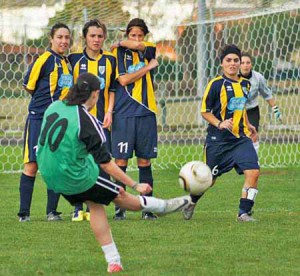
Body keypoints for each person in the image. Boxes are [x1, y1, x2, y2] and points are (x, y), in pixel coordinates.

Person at [36, 73, 190, 273]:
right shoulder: (87, 121)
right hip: (74, 176)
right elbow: (107, 163)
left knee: (95, 204)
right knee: (121, 196)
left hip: (48, 173)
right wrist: (136, 184)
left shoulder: (54, 106)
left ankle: (114, 261)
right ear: (94, 95)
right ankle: (165, 206)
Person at [183, 44, 260, 222]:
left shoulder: (246, 85)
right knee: (209, 179)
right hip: (218, 141)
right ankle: (191, 202)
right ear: (222, 63)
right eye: (229, 60)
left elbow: (242, 107)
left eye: (236, 60)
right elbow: (204, 111)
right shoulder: (215, 85)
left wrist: (249, 125)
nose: (233, 64)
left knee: (253, 172)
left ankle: (244, 212)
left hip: (240, 139)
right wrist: (220, 123)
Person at [17, 23, 73, 222]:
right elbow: (28, 86)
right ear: (51, 38)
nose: (64, 41)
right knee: (31, 164)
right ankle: (24, 213)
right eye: (60, 37)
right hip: (38, 119)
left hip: (57, 121)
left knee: (54, 166)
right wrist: (43, 106)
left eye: (67, 37)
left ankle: (52, 211)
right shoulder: (44, 59)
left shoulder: (67, 63)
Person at [110, 18, 159, 220]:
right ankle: (119, 208)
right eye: (132, 35)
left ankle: (148, 208)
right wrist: (148, 67)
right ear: (126, 36)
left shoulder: (149, 50)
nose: (137, 39)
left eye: (140, 35)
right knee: (120, 160)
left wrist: (126, 42)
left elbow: (141, 46)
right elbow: (123, 80)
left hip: (146, 112)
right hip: (123, 113)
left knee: (144, 161)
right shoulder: (118, 52)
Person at [68, 19, 116, 222]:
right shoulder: (74, 60)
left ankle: (98, 206)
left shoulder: (111, 60)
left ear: (104, 37)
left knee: (102, 162)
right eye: (92, 36)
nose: (96, 39)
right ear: (84, 38)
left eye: (100, 36)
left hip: (102, 120)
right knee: (79, 161)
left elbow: (112, 88)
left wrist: (110, 111)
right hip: (80, 120)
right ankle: (78, 208)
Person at [240, 52, 282, 154]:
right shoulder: (233, 77)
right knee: (238, 137)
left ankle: (254, 161)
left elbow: (267, 94)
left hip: (252, 110)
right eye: (243, 62)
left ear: (252, 64)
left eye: (248, 62)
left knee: (253, 134)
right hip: (237, 111)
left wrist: (276, 111)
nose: (245, 65)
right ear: (239, 64)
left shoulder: (258, 77)